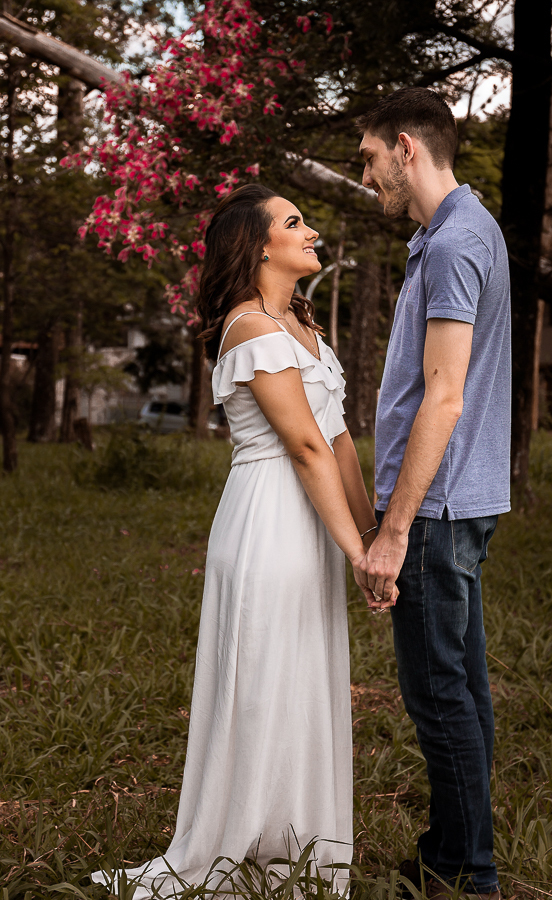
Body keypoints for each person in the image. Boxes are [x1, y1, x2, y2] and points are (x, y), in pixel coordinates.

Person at [92, 184, 394, 898]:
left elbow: (341, 444)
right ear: (259, 247)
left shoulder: (304, 329)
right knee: (261, 681)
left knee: (303, 676)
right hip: (268, 519)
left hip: (314, 521)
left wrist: (375, 536)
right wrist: (357, 554)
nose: (311, 231)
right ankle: (237, 844)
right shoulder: (249, 327)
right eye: (295, 222)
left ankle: (293, 845)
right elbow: (304, 448)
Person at [357, 88, 511, 900]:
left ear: (406, 148)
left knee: (438, 693)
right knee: (462, 686)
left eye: (370, 158)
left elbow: (444, 396)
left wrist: (394, 529)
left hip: (437, 509)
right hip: (459, 501)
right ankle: (452, 853)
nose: (367, 176)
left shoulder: (453, 243)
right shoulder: (456, 232)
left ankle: (470, 875)